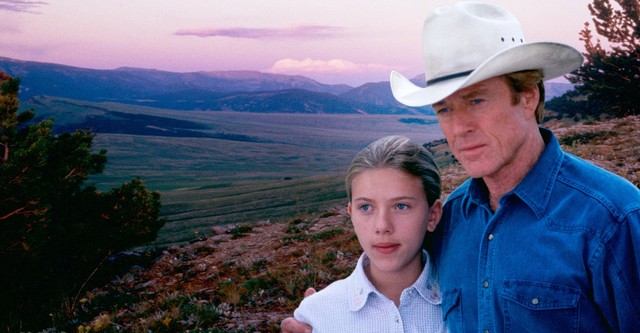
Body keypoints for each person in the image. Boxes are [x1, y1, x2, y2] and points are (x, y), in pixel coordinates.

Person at [282, 1, 640, 332]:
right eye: (445, 109)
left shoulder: (612, 219)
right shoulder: (453, 219)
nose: (458, 128)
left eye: (477, 100)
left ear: (528, 96)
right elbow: (394, 263)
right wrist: (330, 314)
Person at [293, 135, 447, 332]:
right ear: (351, 214)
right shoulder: (317, 315)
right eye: (366, 207)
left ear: (432, 216)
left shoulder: (469, 306)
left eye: (401, 206)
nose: (382, 226)